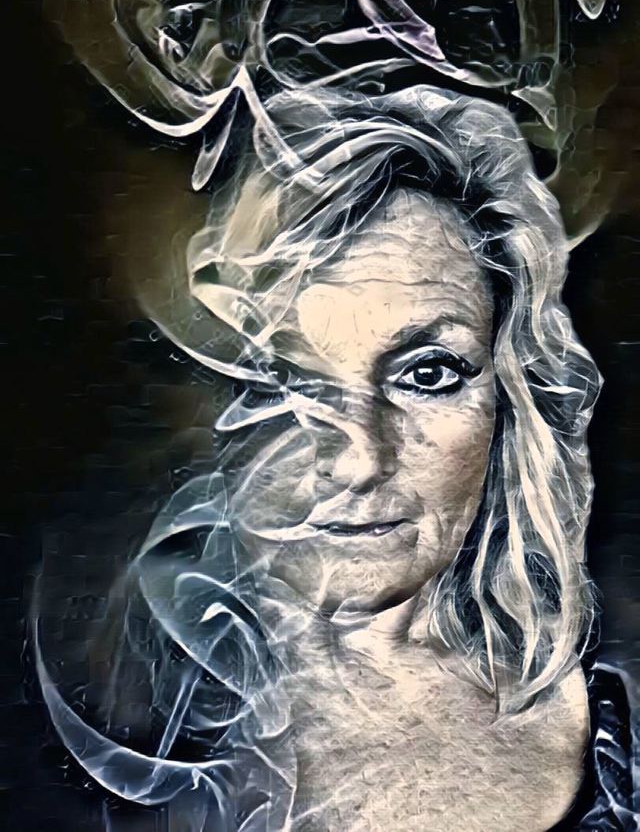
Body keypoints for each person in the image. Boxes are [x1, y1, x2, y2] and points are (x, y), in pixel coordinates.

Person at [34, 85, 635, 831]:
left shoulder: (617, 712)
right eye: (290, 381)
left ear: (510, 401)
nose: (359, 459)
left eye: (428, 373)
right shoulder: (100, 724)